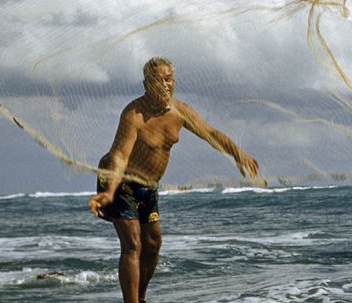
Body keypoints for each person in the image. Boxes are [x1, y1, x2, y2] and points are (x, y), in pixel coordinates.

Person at [89, 56, 260, 303]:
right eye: (158, 80)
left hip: (148, 185)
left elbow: (209, 133)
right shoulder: (133, 114)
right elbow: (119, 156)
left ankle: (141, 298)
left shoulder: (180, 111)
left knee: (153, 243)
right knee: (133, 244)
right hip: (120, 181)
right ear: (146, 83)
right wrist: (109, 191)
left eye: (168, 79)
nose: (164, 85)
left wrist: (237, 153)